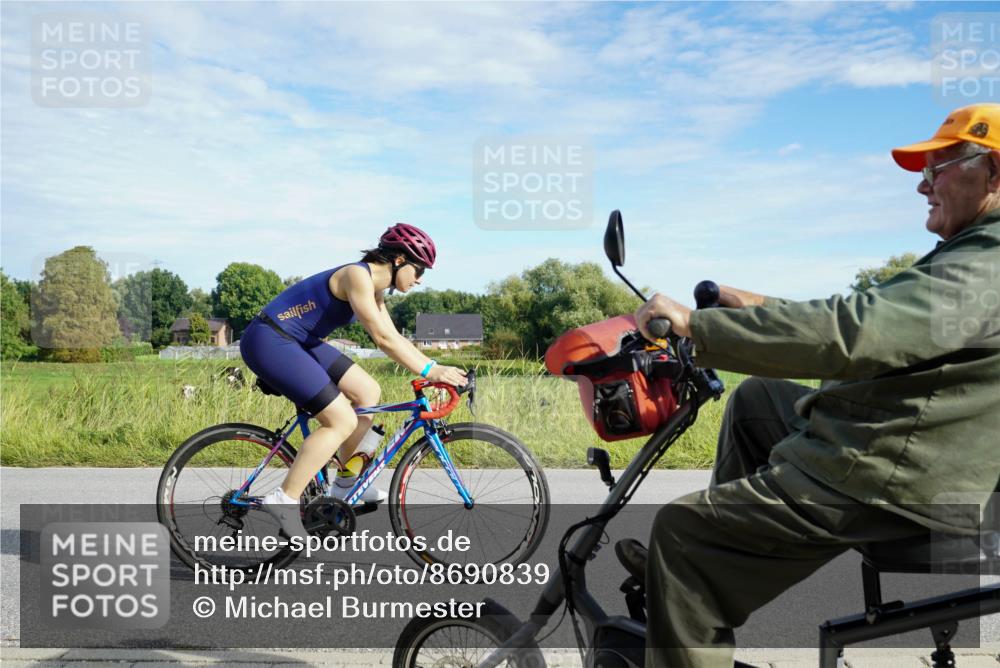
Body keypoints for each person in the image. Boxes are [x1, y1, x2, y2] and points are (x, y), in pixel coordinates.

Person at [633, 103, 1000, 667]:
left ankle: (702, 571)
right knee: (758, 399)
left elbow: (856, 332)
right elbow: (873, 316)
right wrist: (755, 307)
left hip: (900, 476)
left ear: (994, 172)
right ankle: (731, 562)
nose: (924, 185)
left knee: (682, 537)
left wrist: (696, 325)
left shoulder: (987, 265)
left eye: (940, 168)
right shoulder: (971, 253)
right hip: (908, 444)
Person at [239, 223, 467, 541]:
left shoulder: (376, 290)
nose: (419, 280)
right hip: (270, 340)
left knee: (368, 391)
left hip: (299, 341)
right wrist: (432, 370)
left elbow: (394, 337)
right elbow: (382, 338)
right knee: (340, 420)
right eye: (420, 271)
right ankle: (285, 498)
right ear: (400, 259)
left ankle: (346, 481)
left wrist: (433, 367)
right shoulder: (356, 275)